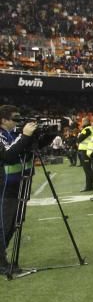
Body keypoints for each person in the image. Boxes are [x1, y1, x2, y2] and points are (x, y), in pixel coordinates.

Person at [1, 107, 37, 273]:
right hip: (5, 187)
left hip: (20, 183)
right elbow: (8, 155)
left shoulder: (13, 134)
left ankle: (2, 258)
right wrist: (24, 136)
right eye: (14, 119)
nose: (18, 122)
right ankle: (1, 263)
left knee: (15, 222)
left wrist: (38, 138)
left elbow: (24, 152)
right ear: (3, 119)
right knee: (5, 224)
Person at [77, 117, 93, 192]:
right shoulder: (90, 128)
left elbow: (80, 138)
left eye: (82, 121)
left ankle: (89, 186)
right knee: (88, 169)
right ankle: (89, 185)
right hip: (87, 150)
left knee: (87, 170)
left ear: (86, 122)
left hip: (85, 150)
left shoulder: (87, 129)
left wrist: (78, 138)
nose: (81, 122)